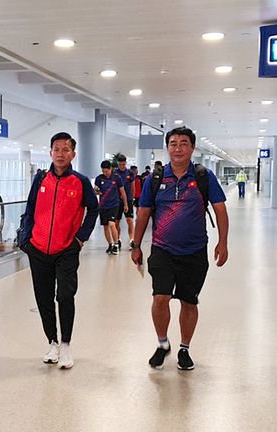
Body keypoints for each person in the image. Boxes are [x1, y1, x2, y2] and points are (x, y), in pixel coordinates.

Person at [131, 126, 229, 371]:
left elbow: (220, 209)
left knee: (189, 302)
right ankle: (162, 344)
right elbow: (143, 212)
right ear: (167, 148)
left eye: (183, 143)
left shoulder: (204, 177)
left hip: (194, 251)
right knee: (160, 297)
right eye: (173, 143)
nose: (178, 148)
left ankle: (185, 348)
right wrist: (136, 244)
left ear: (192, 148)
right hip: (162, 249)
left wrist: (223, 242)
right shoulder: (155, 179)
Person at [18, 132, 99, 369]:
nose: (60, 154)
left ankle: (65, 345)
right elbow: (30, 207)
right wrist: (27, 239)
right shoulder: (41, 179)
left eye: (66, 149)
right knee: (43, 298)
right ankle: (52, 342)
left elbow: (93, 210)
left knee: (64, 295)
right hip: (38, 248)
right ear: (50, 152)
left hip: (66, 249)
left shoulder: (81, 181)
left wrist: (81, 238)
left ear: (73, 153)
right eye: (56, 149)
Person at [94, 160, 127, 255]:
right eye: (103, 171)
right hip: (103, 205)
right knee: (105, 226)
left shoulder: (117, 178)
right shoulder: (99, 178)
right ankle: (110, 244)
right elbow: (95, 190)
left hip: (114, 205)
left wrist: (125, 204)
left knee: (112, 224)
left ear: (111, 169)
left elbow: (122, 191)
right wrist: (96, 191)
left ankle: (116, 244)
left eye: (106, 171)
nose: (105, 173)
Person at [113, 154, 136, 250]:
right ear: (118, 164)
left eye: (123, 164)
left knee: (129, 220)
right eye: (120, 164)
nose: (122, 166)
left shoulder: (130, 173)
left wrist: (132, 198)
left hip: (129, 200)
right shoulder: (114, 173)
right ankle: (117, 240)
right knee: (116, 222)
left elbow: (133, 186)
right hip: (117, 201)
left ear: (125, 163)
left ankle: (132, 240)